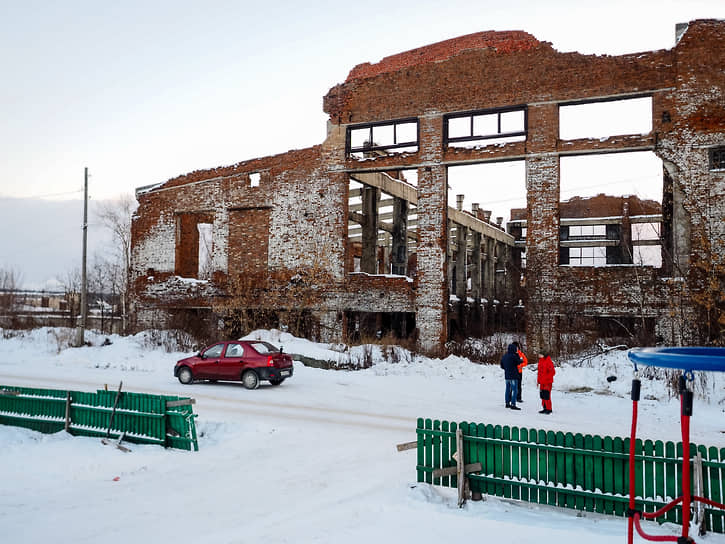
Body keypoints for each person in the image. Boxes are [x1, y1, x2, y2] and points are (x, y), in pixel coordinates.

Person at [500, 343, 522, 410]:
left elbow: (502, 365)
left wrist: (507, 368)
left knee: (507, 389)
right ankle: (513, 404)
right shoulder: (514, 356)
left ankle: (507, 403)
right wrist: (518, 356)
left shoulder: (504, 356)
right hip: (514, 375)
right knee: (515, 390)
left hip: (507, 375)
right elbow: (518, 362)